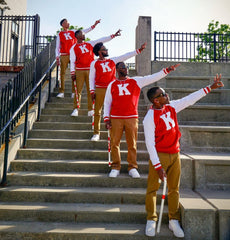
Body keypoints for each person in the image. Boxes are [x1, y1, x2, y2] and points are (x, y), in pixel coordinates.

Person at [143, 74, 224, 238]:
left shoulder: (172, 106)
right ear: (156, 100)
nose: (167, 95)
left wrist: (210, 88)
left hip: (175, 153)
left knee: (174, 189)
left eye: (165, 93)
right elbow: (149, 143)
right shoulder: (149, 118)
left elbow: (189, 99)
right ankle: (151, 219)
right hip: (160, 155)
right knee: (153, 189)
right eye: (163, 94)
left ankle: (174, 219)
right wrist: (158, 166)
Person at [103, 62, 180, 178]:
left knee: (132, 144)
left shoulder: (136, 81)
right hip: (116, 117)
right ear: (117, 70)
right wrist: (106, 118)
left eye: (126, 67)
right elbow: (107, 102)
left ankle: (132, 167)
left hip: (132, 117)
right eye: (123, 67)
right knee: (114, 143)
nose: (126, 69)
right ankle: (115, 167)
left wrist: (166, 71)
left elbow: (151, 78)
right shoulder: (112, 84)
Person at [89, 42, 147, 141]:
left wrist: (138, 51)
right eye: (104, 49)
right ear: (99, 52)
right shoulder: (94, 63)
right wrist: (92, 90)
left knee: (112, 111)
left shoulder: (113, 60)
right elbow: (91, 77)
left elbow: (125, 56)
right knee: (97, 111)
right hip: (100, 88)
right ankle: (96, 133)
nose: (106, 50)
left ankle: (112, 132)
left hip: (113, 88)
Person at [70, 29, 121, 117]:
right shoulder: (73, 47)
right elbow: (72, 60)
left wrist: (113, 35)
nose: (84, 34)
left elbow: (102, 40)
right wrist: (72, 72)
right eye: (82, 34)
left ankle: (90, 109)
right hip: (80, 70)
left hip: (90, 69)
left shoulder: (90, 43)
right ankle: (76, 108)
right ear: (77, 36)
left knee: (91, 90)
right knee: (78, 90)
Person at [55, 18, 101, 98]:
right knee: (62, 73)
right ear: (63, 24)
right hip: (64, 54)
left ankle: (74, 92)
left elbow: (85, 31)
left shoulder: (73, 31)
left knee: (75, 73)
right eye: (66, 22)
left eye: (68, 22)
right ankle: (61, 91)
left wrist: (94, 25)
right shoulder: (60, 34)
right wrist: (57, 57)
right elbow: (57, 47)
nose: (68, 23)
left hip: (74, 54)